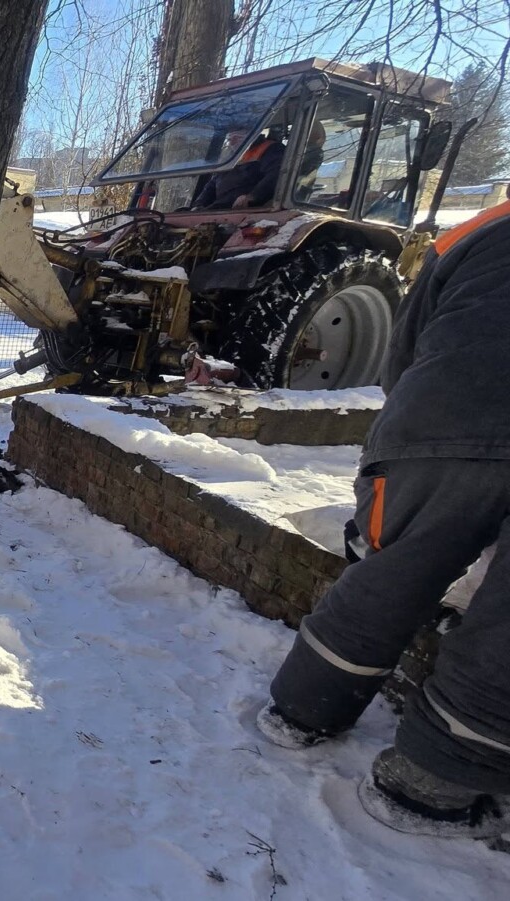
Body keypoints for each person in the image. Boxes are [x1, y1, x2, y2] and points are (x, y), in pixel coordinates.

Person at [258, 198, 510, 836]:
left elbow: (405, 350)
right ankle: (429, 785)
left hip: (435, 417)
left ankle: (302, 710)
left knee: (391, 570)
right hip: (448, 415)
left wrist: (418, 430)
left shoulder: (482, 227)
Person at [194, 132, 285, 210]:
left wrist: (253, 196)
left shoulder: (272, 149)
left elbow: (276, 174)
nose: (231, 142)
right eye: (229, 139)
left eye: (236, 138)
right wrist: (199, 203)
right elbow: (213, 183)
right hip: (220, 208)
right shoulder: (232, 157)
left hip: (247, 209)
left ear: (252, 134)